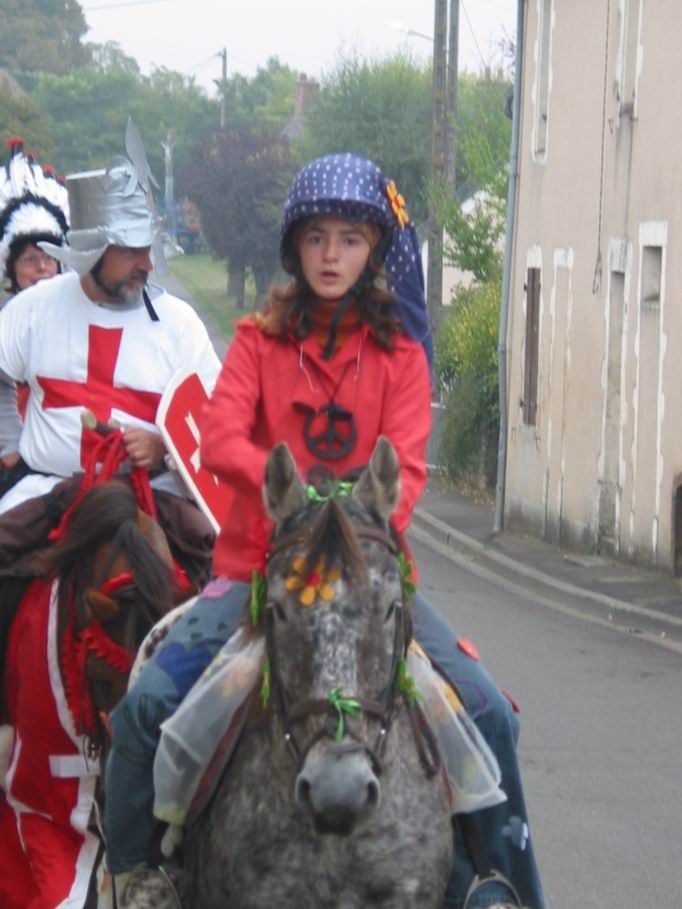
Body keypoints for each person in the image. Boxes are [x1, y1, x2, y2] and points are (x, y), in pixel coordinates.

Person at [105, 153, 546, 909]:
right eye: (316, 238)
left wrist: (354, 524)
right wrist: (299, 504)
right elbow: (220, 437)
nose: (331, 254)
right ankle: (140, 875)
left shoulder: (401, 356)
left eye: (348, 238)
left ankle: (497, 887)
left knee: (488, 711)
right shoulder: (257, 341)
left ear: (372, 248)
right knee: (146, 707)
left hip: (367, 580)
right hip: (258, 572)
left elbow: (405, 468)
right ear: (295, 248)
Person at [0, 124, 221, 570]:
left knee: (220, 572)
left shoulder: (179, 324)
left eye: (147, 248)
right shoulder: (34, 308)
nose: (147, 263)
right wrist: (9, 444)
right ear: (93, 250)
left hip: (150, 497)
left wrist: (164, 449)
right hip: (48, 490)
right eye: (131, 250)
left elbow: (218, 421)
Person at [0, 137, 70, 469]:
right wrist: (12, 451)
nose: (42, 268)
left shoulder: (79, 313)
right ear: (12, 269)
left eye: (49, 257)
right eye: (30, 259)